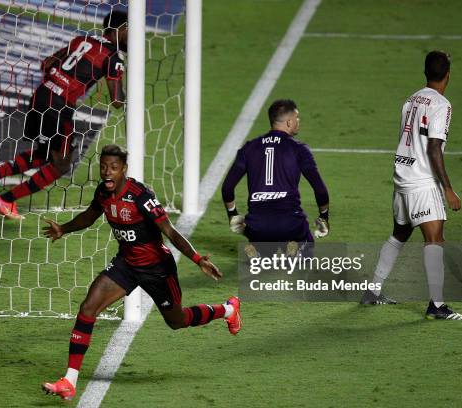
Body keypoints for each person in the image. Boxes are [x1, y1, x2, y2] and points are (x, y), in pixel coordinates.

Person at [41, 144, 242, 401]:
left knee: (176, 320)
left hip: (157, 268)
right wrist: (64, 229)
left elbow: (169, 230)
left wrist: (196, 258)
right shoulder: (103, 192)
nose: (107, 172)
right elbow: (90, 217)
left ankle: (227, 310)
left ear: (124, 169)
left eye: (113, 168)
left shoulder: (140, 195)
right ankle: (69, 380)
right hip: (126, 264)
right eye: (103, 167)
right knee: (88, 308)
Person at [0, 10, 128, 219]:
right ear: (121, 29)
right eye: (130, 32)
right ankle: (7, 200)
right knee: (62, 164)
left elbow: (46, 63)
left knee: (46, 154)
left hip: (42, 95)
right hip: (58, 107)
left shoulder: (82, 39)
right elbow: (117, 101)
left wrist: (62, 80)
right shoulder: (112, 58)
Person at [360, 51, 462, 320]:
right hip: (422, 181)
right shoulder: (442, 104)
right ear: (448, 76)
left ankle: (373, 290)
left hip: (402, 176)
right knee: (435, 240)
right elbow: (433, 149)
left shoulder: (411, 99)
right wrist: (447, 188)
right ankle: (437, 306)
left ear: (425, 73)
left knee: (399, 234)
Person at [221, 99, 330, 253]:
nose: (298, 122)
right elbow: (320, 189)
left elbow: (227, 188)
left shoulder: (249, 148)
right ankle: (295, 248)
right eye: (297, 118)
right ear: (289, 122)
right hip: (290, 223)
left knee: (259, 234)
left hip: (257, 225)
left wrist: (232, 215)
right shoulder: (299, 149)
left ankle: (259, 250)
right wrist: (324, 216)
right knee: (307, 246)